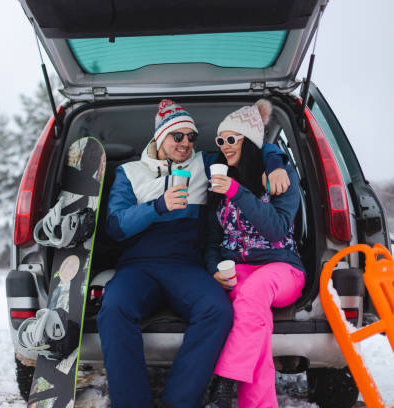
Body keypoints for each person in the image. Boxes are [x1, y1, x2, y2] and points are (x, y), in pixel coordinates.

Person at [97, 99, 291, 408]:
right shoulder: (130, 173)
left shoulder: (204, 164)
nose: (186, 143)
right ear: (161, 137)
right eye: (178, 136)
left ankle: (180, 402)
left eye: (191, 136)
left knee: (218, 310)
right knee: (114, 307)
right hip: (138, 266)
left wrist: (276, 161)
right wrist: (157, 207)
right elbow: (115, 227)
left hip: (186, 266)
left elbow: (245, 147)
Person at [204, 99, 306, 408]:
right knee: (255, 328)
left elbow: (276, 231)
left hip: (282, 270)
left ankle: (224, 380)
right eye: (221, 140)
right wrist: (213, 269)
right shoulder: (218, 185)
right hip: (239, 270)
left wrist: (237, 191)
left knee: (254, 294)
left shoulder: (279, 178)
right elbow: (211, 241)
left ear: (248, 141)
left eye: (231, 139)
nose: (224, 146)